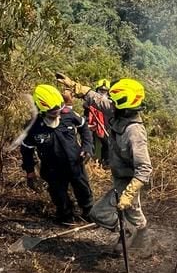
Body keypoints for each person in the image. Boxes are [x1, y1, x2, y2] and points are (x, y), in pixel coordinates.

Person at [56, 73, 152, 249]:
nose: (111, 104)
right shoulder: (120, 114)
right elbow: (100, 101)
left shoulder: (134, 133)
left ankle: (127, 233)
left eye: (115, 102)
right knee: (134, 212)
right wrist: (78, 87)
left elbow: (144, 169)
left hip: (128, 181)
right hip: (121, 175)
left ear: (124, 104)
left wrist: (128, 194)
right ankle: (143, 245)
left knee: (98, 213)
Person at [21, 84, 94, 225]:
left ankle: (89, 212)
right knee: (58, 195)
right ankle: (65, 214)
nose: (57, 113)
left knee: (83, 189)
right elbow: (26, 151)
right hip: (52, 169)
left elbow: (84, 128)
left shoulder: (68, 115)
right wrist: (30, 172)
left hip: (75, 163)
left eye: (59, 109)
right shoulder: (33, 127)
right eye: (52, 111)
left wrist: (87, 147)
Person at [85, 79, 112, 166]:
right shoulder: (91, 100)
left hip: (105, 126)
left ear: (108, 92)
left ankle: (106, 163)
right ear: (97, 90)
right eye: (101, 90)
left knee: (107, 143)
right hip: (92, 125)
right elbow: (86, 114)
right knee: (89, 142)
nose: (102, 92)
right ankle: (91, 162)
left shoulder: (110, 103)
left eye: (105, 91)